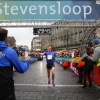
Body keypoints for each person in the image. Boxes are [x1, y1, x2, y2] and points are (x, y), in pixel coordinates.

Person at [0, 28, 30, 100]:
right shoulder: (10, 52)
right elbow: (21, 69)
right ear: (5, 38)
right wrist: (27, 61)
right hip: (6, 92)